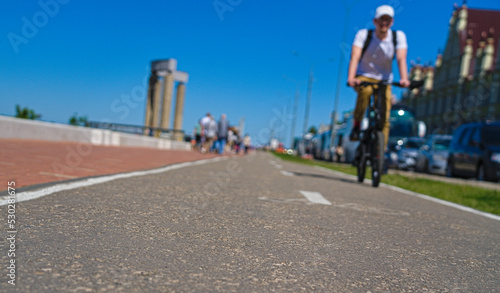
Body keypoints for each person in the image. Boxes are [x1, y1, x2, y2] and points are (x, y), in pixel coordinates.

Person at [347, 5, 410, 148]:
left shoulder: (398, 37)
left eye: (387, 20)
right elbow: (355, 56)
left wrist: (404, 78)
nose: (384, 23)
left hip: (384, 80)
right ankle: (357, 124)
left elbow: (401, 59)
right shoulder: (364, 35)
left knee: (384, 116)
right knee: (366, 92)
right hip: (364, 76)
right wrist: (351, 77)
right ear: (375, 21)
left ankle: (380, 153)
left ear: (392, 22)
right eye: (381, 19)